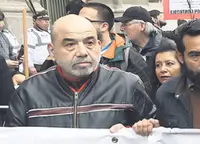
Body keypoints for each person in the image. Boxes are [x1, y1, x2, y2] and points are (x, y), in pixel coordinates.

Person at [6, 15, 156, 132]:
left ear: (98, 45)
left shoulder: (127, 85)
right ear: (52, 50)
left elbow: (158, 136)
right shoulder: (29, 91)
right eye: (70, 44)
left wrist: (137, 131)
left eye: (89, 43)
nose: (82, 52)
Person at [79, 2, 150, 90]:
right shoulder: (74, 54)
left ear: (104, 26)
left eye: (86, 21)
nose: (79, 25)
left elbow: (143, 93)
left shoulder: (128, 57)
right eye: (78, 21)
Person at [118, 6, 171, 72]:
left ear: (142, 26)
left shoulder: (167, 48)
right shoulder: (126, 51)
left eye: (126, 24)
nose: (121, 29)